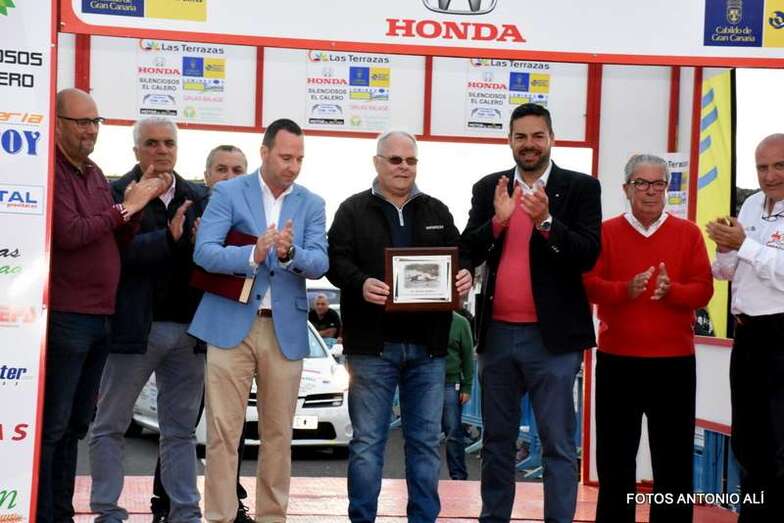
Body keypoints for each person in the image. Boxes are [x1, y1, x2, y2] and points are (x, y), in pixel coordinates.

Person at [460, 103, 601, 523]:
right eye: (520, 136)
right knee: (497, 443)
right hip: (498, 337)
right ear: (509, 140)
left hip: (553, 341)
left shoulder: (580, 188)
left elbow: (588, 254)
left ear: (552, 138)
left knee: (558, 444)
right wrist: (499, 223)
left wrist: (546, 222)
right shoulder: (490, 187)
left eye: (537, 136)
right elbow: (468, 248)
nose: (529, 144)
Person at [327, 130, 473, 523]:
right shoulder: (352, 210)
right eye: (395, 160)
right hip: (371, 350)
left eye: (410, 160)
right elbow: (334, 261)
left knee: (425, 444)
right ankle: (362, 519)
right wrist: (360, 282)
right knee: (367, 444)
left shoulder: (437, 210)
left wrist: (465, 275)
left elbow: (458, 259)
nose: (403, 167)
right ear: (377, 162)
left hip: (428, 351)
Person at [189, 118, 328, 523]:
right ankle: (219, 516)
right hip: (229, 324)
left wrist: (289, 254)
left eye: (299, 158)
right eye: (286, 157)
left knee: (279, 435)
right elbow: (205, 252)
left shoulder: (312, 203)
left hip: (284, 329)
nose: (293, 166)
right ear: (265, 152)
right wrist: (254, 252)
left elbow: (320, 261)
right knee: (222, 434)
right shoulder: (229, 192)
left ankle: (272, 516)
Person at [38, 89, 164, 523]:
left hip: (99, 316)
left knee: (75, 427)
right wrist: (124, 209)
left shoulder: (92, 172)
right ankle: (44, 513)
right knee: (53, 428)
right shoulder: (47, 170)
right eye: (81, 122)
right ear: (56, 122)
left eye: (96, 122)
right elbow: (70, 233)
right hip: (66, 317)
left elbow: (111, 235)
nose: (91, 130)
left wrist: (134, 212)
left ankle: (60, 511)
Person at [583, 154, 713, 523]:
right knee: (615, 463)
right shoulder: (605, 231)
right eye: (642, 183)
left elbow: (704, 290)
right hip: (617, 363)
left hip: (674, 364)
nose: (651, 191)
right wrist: (626, 289)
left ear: (667, 189)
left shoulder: (688, 233)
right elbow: (589, 285)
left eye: (659, 184)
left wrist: (671, 291)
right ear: (626, 189)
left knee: (673, 464)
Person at [88, 117, 206, 523]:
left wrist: (198, 244)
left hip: (189, 333)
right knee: (110, 426)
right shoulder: (114, 193)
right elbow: (113, 257)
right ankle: (107, 512)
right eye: (152, 143)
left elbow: (209, 261)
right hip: (132, 331)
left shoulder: (198, 197)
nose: (161, 150)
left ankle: (185, 513)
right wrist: (170, 240)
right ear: (136, 151)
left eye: (168, 143)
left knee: (181, 432)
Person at [148, 144, 252, 523]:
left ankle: (231, 502)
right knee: (182, 424)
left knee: (232, 426)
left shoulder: (257, 218)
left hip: (237, 330)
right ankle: (166, 502)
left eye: (237, 170)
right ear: (206, 175)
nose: (229, 176)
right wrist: (193, 247)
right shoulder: (187, 210)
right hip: (191, 331)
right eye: (221, 169)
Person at [706, 133, 784, 522]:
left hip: (781, 336)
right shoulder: (751, 204)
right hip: (748, 334)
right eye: (762, 167)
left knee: (778, 447)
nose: (769, 176)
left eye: (778, 166)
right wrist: (724, 249)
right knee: (748, 443)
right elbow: (727, 273)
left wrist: (746, 245)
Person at [442, 311, 474, 480]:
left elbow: (468, 355)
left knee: (453, 432)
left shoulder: (461, 323)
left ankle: (458, 476)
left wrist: (467, 387)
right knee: (425, 434)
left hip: (451, 383)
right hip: (425, 382)